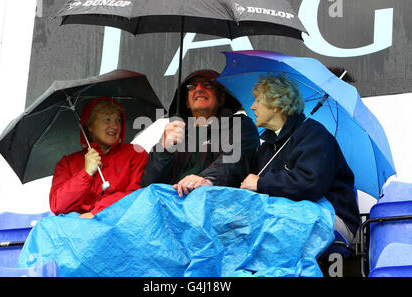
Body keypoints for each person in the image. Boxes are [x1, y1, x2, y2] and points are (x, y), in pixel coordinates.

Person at [201, 74, 360, 243]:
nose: (253, 107)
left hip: (332, 221)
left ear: (277, 104)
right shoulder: (267, 147)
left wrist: (260, 183)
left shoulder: (314, 134)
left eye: (258, 101)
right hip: (287, 218)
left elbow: (310, 184)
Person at [140, 69, 260, 197]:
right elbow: (149, 184)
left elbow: (234, 163)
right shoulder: (175, 131)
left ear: (221, 98)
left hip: (218, 205)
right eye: (192, 86)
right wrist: (163, 149)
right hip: (172, 207)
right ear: (186, 101)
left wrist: (207, 179)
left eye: (207, 85)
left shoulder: (239, 125)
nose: (199, 88)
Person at [49, 97, 148, 218]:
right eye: (107, 120)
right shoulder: (67, 163)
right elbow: (57, 205)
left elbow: (137, 195)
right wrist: (86, 173)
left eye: (118, 120)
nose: (115, 126)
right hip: (77, 230)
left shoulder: (135, 153)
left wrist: (97, 213)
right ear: (90, 126)